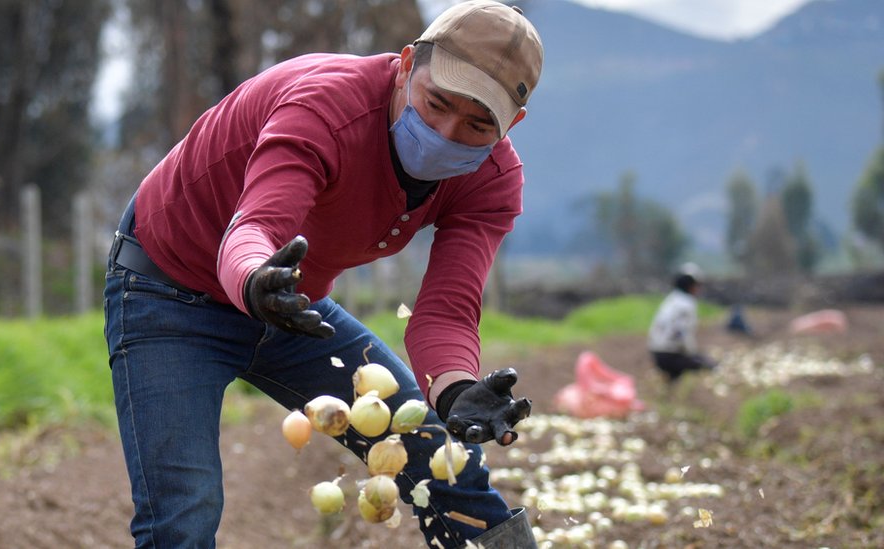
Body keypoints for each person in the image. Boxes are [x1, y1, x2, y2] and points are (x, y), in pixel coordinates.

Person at [103, 2, 544, 547]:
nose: (447, 133)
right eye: (436, 105)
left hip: (290, 306)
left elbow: (445, 312)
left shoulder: (492, 180)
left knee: (448, 465)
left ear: (511, 125)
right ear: (407, 65)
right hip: (169, 287)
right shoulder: (326, 106)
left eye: (477, 126)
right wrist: (255, 280)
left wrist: (454, 391)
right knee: (184, 511)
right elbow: (255, 228)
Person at [648, 263, 717, 384]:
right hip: (669, 354)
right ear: (690, 286)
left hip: (656, 352)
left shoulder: (672, 299)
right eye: (697, 285)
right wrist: (693, 353)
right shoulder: (687, 304)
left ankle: (671, 388)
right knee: (709, 365)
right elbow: (683, 333)